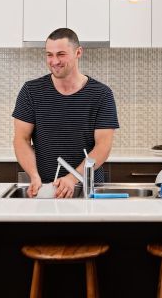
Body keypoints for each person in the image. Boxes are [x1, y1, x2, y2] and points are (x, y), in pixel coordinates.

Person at [13, 28, 119, 198]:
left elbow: (103, 146)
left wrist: (73, 178)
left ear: (78, 52)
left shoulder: (101, 94)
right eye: (49, 54)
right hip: (46, 188)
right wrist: (33, 175)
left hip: (88, 187)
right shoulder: (31, 91)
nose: (54, 61)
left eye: (61, 54)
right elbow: (21, 139)